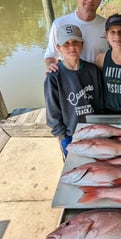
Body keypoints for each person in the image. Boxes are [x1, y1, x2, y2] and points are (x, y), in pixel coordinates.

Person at [44, 24, 103, 157]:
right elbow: (52, 114)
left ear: (82, 44)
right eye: (66, 43)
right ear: (58, 47)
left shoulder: (93, 70)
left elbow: (100, 103)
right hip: (71, 135)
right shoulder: (54, 76)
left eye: (75, 42)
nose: (72, 47)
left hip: (95, 132)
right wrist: (63, 136)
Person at [44, 0, 108, 72]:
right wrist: (52, 72)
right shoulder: (59, 24)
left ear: (100, 0)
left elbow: (119, 52)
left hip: (97, 83)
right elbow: (51, 55)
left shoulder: (108, 27)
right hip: (70, 83)